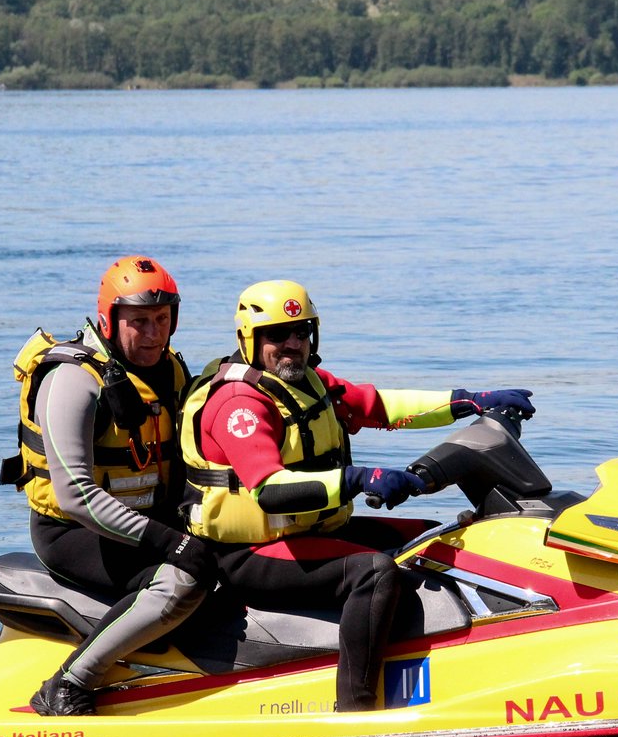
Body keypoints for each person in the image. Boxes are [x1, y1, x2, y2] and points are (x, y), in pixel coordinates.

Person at [178, 279, 535, 711]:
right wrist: (359, 478)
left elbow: (379, 405)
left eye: (302, 332)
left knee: (436, 538)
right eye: (277, 335)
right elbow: (271, 491)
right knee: (374, 572)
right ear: (249, 339)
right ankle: (356, 705)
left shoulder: (308, 381)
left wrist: (470, 401)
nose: (292, 344)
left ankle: (470, 652)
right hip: (248, 553)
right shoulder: (239, 404)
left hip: (310, 532)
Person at [0, 255, 214, 716]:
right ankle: (69, 683)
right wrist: (169, 543)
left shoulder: (170, 370)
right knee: (184, 579)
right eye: (139, 321)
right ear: (109, 320)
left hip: (149, 520)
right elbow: (76, 497)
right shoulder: (73, 381)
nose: (153, 333)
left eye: (162, 319)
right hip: (74, 532)